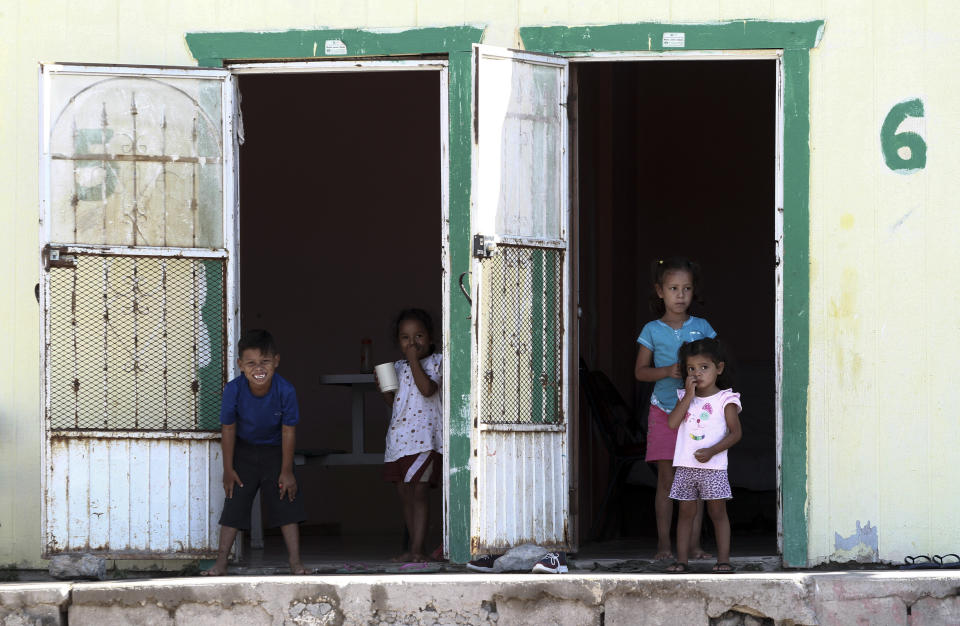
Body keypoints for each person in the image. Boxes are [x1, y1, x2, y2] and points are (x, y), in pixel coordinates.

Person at [202, 329, 307, 576]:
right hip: (244, 452)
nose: (258, 368)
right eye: (251, 363)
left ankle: (295, 563)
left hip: (275, 452)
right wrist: (228, 469)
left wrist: (286, 470)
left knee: (286, 502)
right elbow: (228, 429)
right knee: (234, 506)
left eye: (265, 362)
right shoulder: (233, 390)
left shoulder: (286, 390)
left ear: (277, 361)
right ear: (240, 365)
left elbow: (288, 431)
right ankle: (220, 563)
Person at [634, 257, 715, 561]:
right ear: (660, 291)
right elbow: (641, 372)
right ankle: (665, 546)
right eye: (673, 288)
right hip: (664, 412)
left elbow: (719, 365)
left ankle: (693, 546)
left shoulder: (703, 328)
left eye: (686, 288)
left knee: (695, 479)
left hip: (698, 414)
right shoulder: (652, 330)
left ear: (694, 292)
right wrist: (667, 371)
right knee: (667, 480)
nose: (680, 295)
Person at [665, 338, 742, 573]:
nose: (697, 373)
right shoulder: (684, 397)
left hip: (714, 468)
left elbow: (736, 433)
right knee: (686, 513)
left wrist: (712, 451)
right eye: (691, 369)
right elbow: (671, 424)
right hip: (686, 467)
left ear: (719, 368)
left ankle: (724, 560)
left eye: (704, 367)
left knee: (717, 513)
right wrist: (688, 396)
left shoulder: (725, 400)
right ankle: (682, 561)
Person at [378, 308, 443, 563]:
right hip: (399, 441)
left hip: (424, 440)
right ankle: (416, 547)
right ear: (398, 342)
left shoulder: (437, 362)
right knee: (405, 493)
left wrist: (414, 360)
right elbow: (394, 402)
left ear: (430, 337)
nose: (412, 343)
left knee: (419, 492)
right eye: (405, 338)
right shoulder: (397, 367)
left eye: (418, 336)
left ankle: (417, 549)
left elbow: (427, 390)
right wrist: (383, 387)